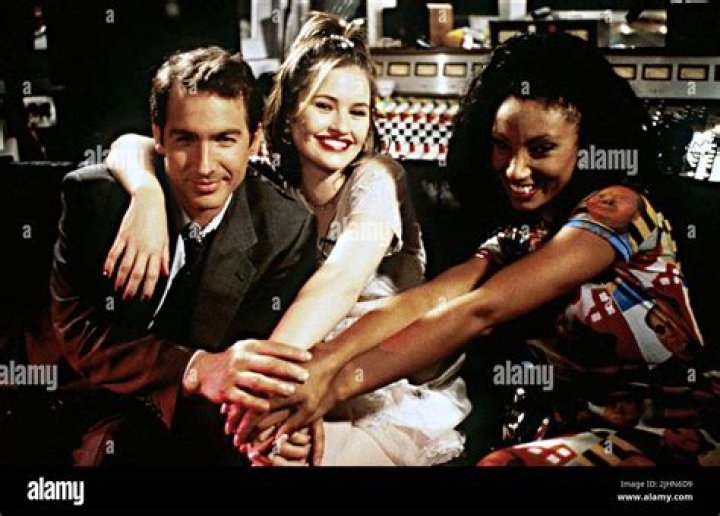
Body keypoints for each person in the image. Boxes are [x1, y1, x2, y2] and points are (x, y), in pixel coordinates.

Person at [253, 33, 719, 466]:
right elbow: (424, 301)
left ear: (587, 145)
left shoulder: (618, 209)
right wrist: (318, 367)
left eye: (541, 149)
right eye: (501, 146)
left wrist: (334, 386)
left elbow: (481, 310)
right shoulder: (521, 237)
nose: (515, 169)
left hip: (674, 433)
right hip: (567, 432)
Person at [103, 13, 470, 466]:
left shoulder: (377, 177)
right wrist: (145, 193)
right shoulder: (266, 175)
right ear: (291, 110)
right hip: (294, 372)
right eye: (324, 106)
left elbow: (341, 278)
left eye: (358, 112)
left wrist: (263, 392)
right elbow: (133, 144)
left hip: (375, 379)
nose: (342, 126)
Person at [47, 47, 318, 465]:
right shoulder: (95, 200)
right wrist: (195, 367)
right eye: (186, 139)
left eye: (225, 139)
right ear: (158, 136)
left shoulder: (285, 228)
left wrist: (279, 421)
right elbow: (80, 330)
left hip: (201, 419)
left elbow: (258, 356)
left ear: (254, 140)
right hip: (88, 397)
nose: (204, 166)